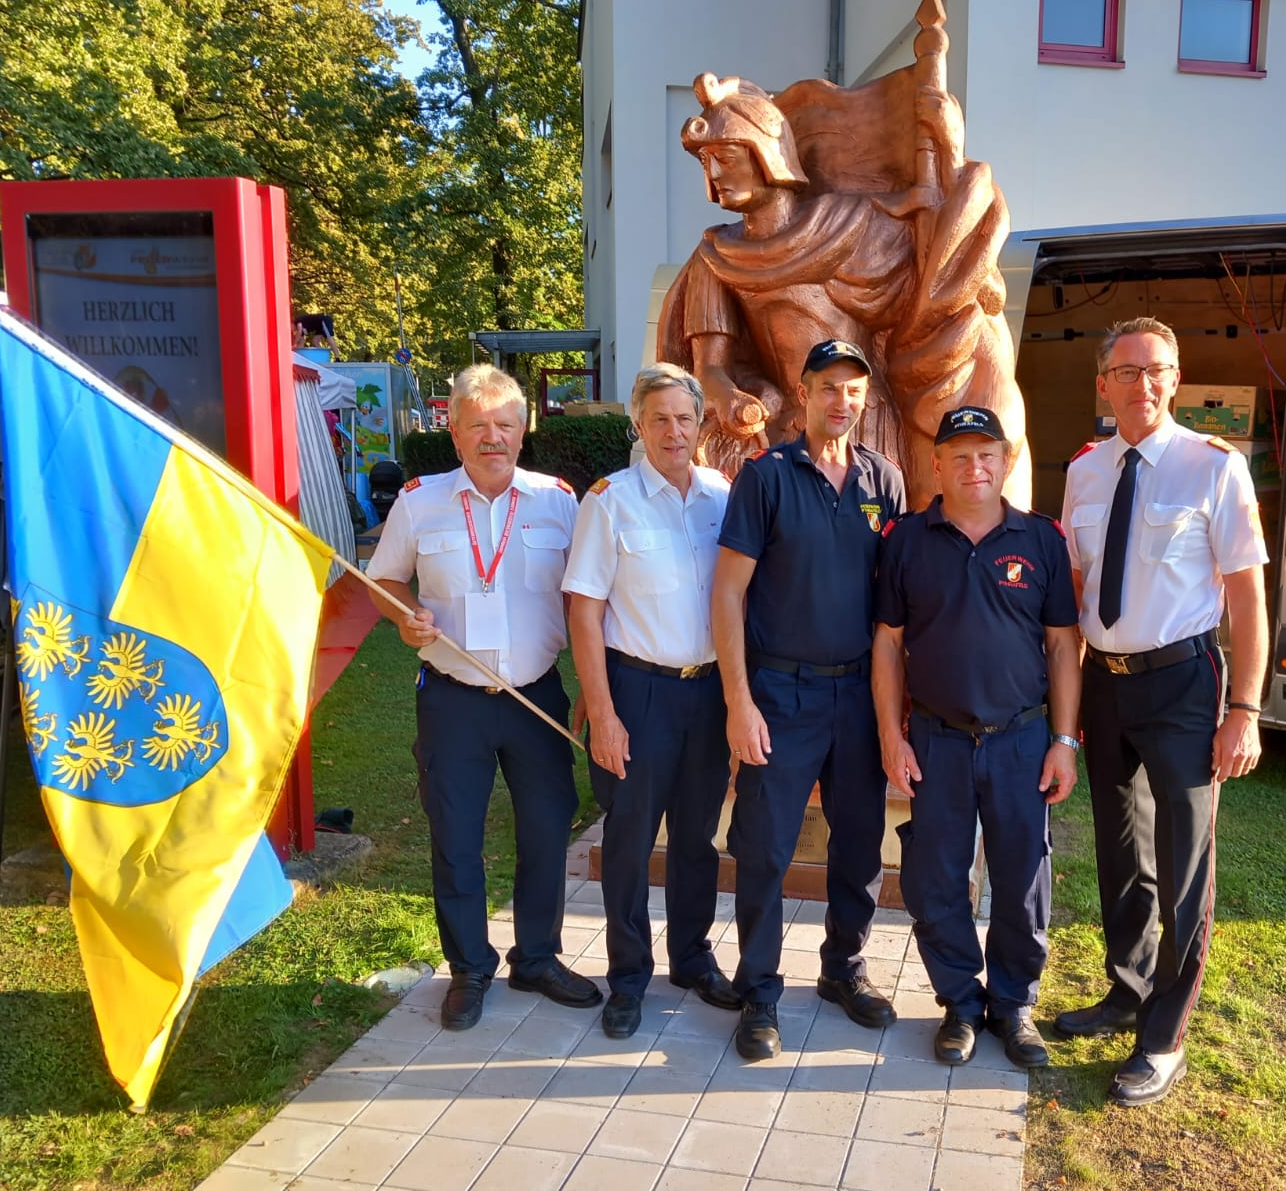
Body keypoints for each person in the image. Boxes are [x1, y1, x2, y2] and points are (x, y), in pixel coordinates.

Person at [1057, 317, 1269, 1105]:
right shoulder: (1084, 471)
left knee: (1184, 862)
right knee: (1120, 852)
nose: (1142, 384)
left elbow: (1247, 599)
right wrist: (1068, 706)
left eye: (1157, 370)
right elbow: (1075, 597)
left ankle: (1164, 1032)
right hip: (1106, 684)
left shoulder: (1214, 468)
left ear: (1174, 380)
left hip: (1183, 682)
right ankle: (1127, 988)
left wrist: (1243, 709)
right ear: (1104, 383)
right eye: (1126, 370)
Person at [656, 72, 1029, 504]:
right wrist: (732, 399)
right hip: (788, 440)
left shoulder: (847, 222)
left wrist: (945, 147)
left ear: (767, 153)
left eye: (726, 155)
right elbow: (708, 370)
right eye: (706, 162)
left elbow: (941, 248)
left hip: (868, 427)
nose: (715, 172)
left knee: (883, 552)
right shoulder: (715, 259)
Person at [366, 363, 600, 1031]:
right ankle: (470, 968)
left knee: (547, 830)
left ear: (523, 430)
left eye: (505, 424)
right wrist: (404, 614)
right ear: (455, 430)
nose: (492, 437)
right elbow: (384, 581)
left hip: (536, 695)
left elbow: (587, 599)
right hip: (454, 698)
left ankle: (538, 957)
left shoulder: (559, 500)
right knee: (456, 836)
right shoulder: (420, 500)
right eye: (478, 426)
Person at [712, 338, 907, 1060]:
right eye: (828, 386)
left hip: (857, 693)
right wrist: (740, 700)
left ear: (865, 400)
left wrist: (896, 711)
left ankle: (842, 971)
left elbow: (894, 609)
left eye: (853, 390)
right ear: (804, 393)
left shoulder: (884, 481)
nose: (840, 401)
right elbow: (727, 594)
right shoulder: (766, 477)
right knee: (763, 847)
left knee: (859, 846)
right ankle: (759, 991)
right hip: (780, 692)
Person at [873, 406, 1082, 1068]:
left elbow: (1061, 645)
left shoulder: (1042, 540)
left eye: (986, 454)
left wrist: (1064, 740)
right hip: (936, 741)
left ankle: (1014, 1004)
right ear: (937, 464)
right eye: (959, 455)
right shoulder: (905, 539)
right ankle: (961, 1003)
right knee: (935, 880)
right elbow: (887, 646)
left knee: (1023, 878)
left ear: (1006, 460)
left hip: (1021, 741)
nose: (975, 467)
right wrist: (890, 737)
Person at [561, 364, 740, 1039]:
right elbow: (584, 614)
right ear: (638, 424)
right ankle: (629, 977)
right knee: (631, 840)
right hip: (637, 692)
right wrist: (602, 714)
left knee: (697, 836)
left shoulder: (721, 495)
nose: (673, 431)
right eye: (659, 418)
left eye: (684, 418)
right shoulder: (609, 500)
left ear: (701, 425)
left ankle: (692, 959)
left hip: (707, 694)